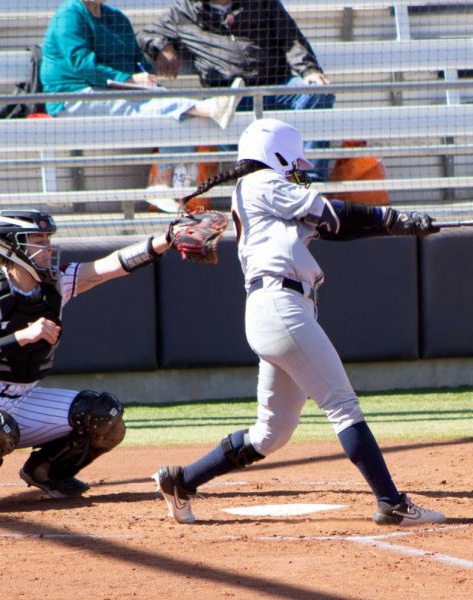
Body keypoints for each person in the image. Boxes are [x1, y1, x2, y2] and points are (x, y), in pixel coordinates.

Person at [153, 118, 445, 526]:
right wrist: (394, 218)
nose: (298, 170)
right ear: (276, 153)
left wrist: (397, 228)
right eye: (294, 161)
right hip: (280, 304)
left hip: (276, 309)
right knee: (342, 406)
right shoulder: (261, 183)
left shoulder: (268, 193)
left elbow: (334, 226)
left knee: (270, 434)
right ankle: (391, 502)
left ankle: (183, 481)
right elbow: (330, 210)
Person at [0, 209, 178, 517]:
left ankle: (46, 472)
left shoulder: (55, 283)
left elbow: (110, 266)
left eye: (47, 239)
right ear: (11, 247)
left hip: (21, 400)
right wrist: (22, 336)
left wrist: (166, 239)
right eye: (37, 240)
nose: (48, 247)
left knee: (103, 416)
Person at [39, 0, 244, 189]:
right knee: (174, 108)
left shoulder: (116, 17)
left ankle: (161, 185)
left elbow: (135, 59)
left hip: (114, 92)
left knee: (178, 112)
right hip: (73, 97)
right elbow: (81, 64)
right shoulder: (69, 14)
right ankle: (209, 107)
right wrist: (128, 79)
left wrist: (146, 75)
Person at [137, 0, 336, 185]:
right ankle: (262, 186)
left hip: (276, 87)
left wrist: (310, 70)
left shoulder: (262, 2)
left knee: (318, 92)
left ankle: (308, 181)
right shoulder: (183, 11)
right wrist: (163, 47)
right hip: (231, 96)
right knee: (224, 116)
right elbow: (146, 34)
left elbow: (291, 38)